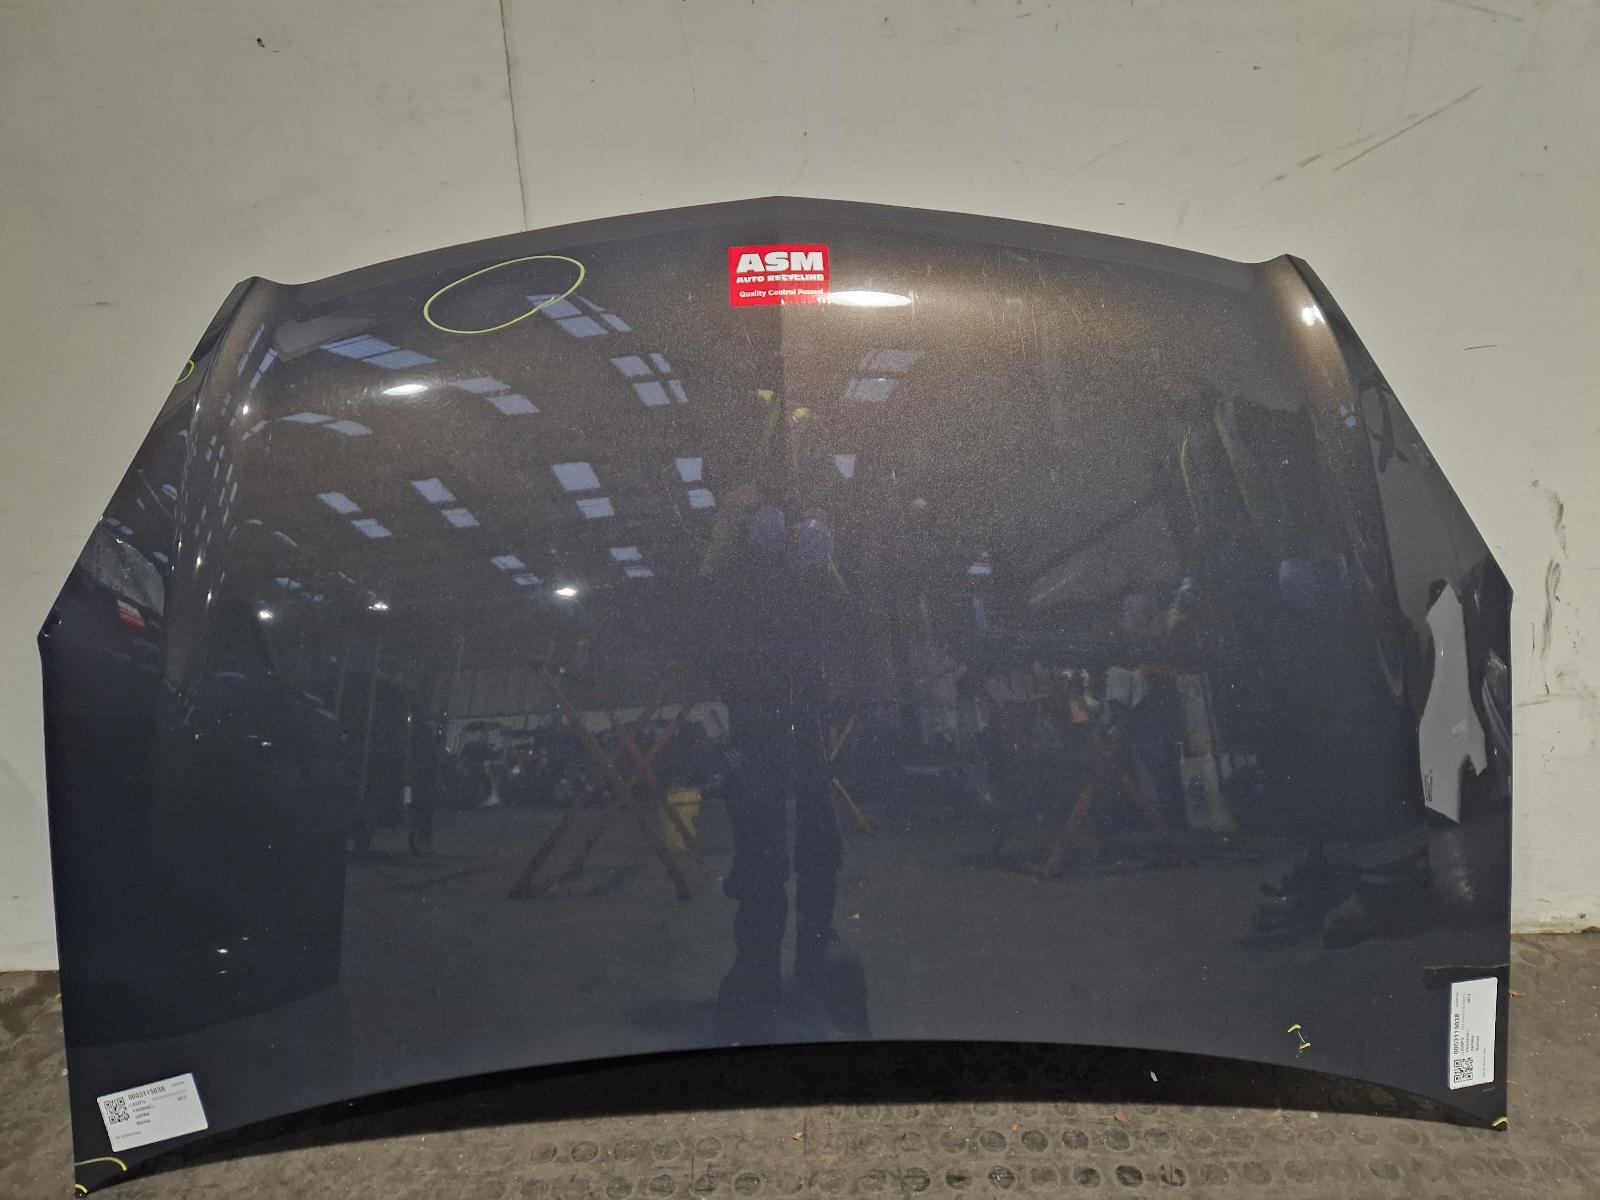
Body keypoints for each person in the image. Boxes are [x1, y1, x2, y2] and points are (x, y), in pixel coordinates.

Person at [1166, 377, 1429, 947]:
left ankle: (1390, 880)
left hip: (1292, 593)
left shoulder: (1241, 416)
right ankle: (1347, 866)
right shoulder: (1206, 431)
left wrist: (1298, 561)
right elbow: (1220, 524)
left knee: (1332, 736)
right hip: (1269, 598)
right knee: (1300, 743)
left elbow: (1278, 502)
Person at [700, 391, 867, 1040]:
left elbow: (846, 600)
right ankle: (756, 953)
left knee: (816, 810)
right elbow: (704, 587)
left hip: (807, 674)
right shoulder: (734, 437)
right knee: (758, 813)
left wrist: (823, 544)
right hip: (754, 677)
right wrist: (734, 525)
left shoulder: (811, 438)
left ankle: (818, 940)